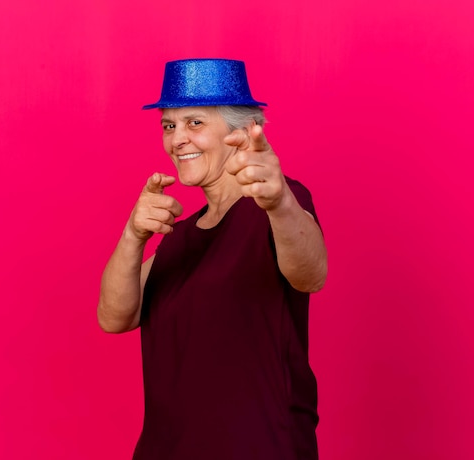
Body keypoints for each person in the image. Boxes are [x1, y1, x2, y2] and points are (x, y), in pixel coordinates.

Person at [98, 59, 327, 460]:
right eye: (169, 126)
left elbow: (311, 274)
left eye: (194, 123)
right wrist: (133, 235)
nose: (177, 139)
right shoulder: (180, 237)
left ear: (240, 131)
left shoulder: (279, 205)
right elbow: (114, 317)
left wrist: (278, 203)